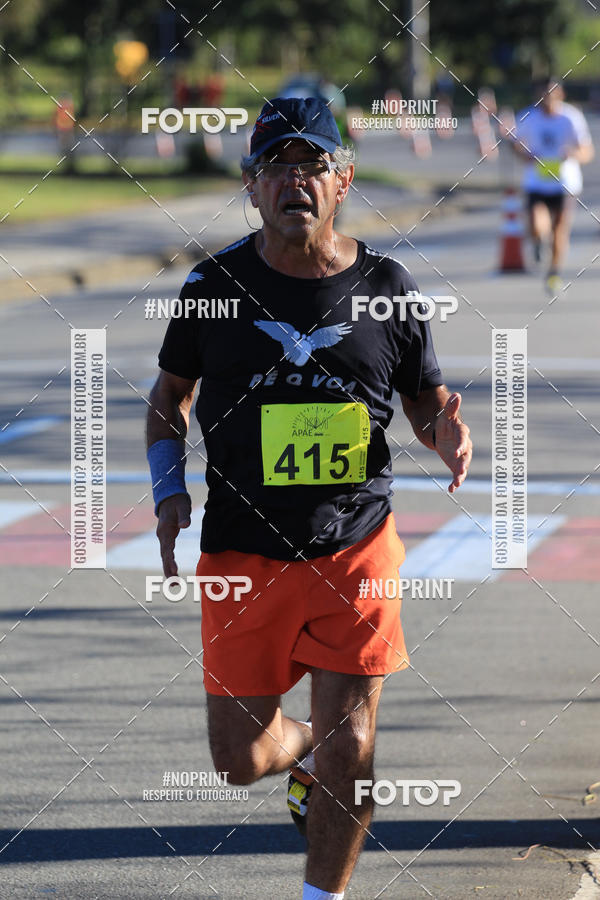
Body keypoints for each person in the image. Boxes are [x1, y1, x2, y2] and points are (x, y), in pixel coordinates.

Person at [146, 97, 472, 900]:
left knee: (351, 743)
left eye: (314, 164)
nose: (297, 179)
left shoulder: (386, 287)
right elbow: (166, 398)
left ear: (344, 181)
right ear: (252, 188)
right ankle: (299, 759)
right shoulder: (212, 286)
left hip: (355, 549)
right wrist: (167, 491)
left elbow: (423, 398)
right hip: (242, 552)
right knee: (238, 760)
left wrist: (443, 432)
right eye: (277, 167)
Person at [512, 78, 593, 294]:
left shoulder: (571, 117)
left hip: (565, 184)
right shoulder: (528, 117)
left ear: (561, 95)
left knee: (560, 230)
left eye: (551, 94)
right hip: (537, 182)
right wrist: (525, 155)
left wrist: (573, 154)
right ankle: (538, 243)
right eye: (543, 94)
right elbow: (515, 144)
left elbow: (587, 150)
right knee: (537, 227)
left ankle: (554, 273)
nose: (547, 99)